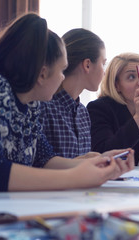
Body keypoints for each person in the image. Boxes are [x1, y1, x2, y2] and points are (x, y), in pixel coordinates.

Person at [0, 13, 134, 194]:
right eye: (61, 70)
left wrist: (92, 163)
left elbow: (43, 159)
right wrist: (75, 177)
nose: (62, 77)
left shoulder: (30, 104)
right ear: (43, 74)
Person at [39, 28, 106, 158]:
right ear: (87, 65)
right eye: (103, 63)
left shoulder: (83, 113)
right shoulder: (44, 108)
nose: (104, 71)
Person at [87, 53, 139, 167]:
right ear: (116, 85)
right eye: (131, 77)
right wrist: (138, 118)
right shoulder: (99, 108)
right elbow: (104, 153)